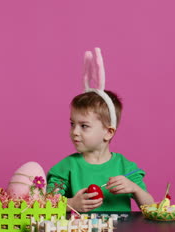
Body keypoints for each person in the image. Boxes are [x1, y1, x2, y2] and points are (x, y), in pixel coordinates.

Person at [46, 48, 154, 212]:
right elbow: (47, 204)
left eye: (84, 126)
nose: (75, 131)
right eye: (72, 124)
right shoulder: (65, 168)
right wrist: (71, 205)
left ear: (108, 132)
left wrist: (135, 189)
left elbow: (151, 207)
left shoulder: (125, 167)